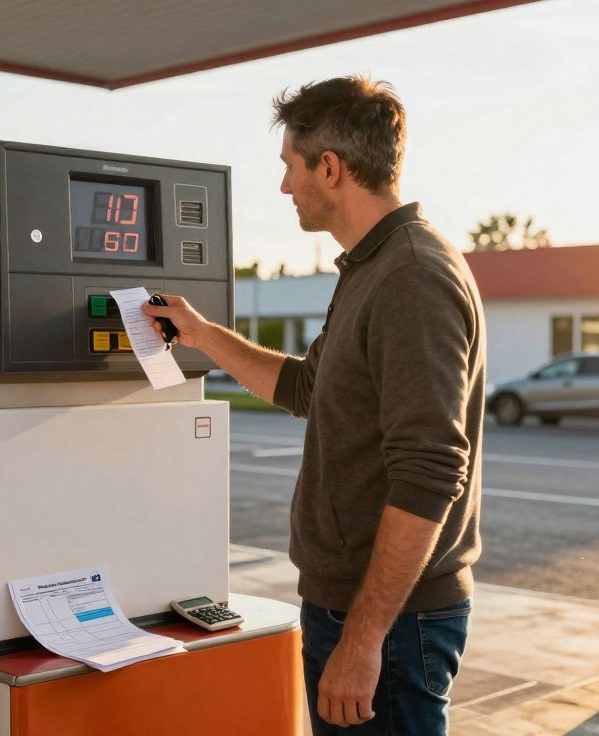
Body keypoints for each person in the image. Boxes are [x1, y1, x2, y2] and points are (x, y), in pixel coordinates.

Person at [143, 76, 484, 735]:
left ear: (329, 168)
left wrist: (364, 641)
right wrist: (203, 334)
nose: (283, 186)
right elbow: (307, 388)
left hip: (391, 624)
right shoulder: (372, 268)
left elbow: (431, 470)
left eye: (288, 166)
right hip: (354, 611)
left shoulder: (411, 275)